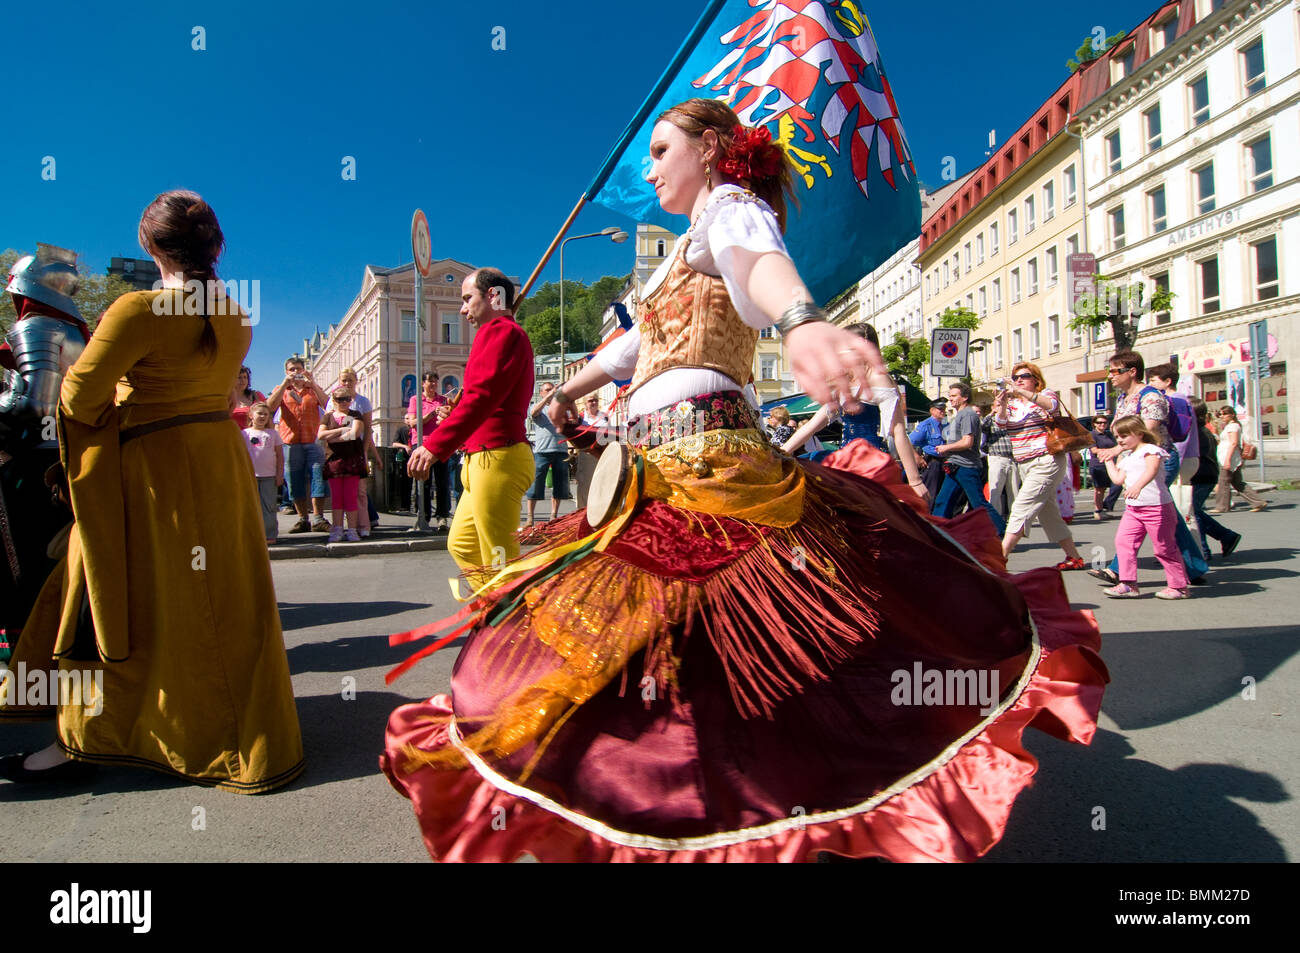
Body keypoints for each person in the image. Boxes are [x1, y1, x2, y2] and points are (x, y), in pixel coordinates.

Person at [383, 99, 1104, 863]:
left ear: (713, 149)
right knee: (663, 651)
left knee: (712, 642)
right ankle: (700, 803)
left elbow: (758, 265)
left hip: (718, 465)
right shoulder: (678, 252)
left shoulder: (732, 208)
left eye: (662, 149)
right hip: (653, 472)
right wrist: (565, 391)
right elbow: (632, 350)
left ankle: (745, 801)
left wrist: (799, 320)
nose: (651, 166)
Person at [0, 189, 303, 789]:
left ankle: (94, 739)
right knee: (217, 604)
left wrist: (121, 397)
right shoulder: (236, 315)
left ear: (150, 244)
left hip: (151, 474)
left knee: (112, 595)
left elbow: (78, 398)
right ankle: (226, 730)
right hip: (217, 465)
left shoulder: (137, 310)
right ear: (214, 245)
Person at [406, 267, 534, 582]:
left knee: (499, 557)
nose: (463, 309)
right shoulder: (498, 332)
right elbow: (481, 398)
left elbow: (482, 397)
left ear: (493, 296)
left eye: (467, 299)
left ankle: (511, 625)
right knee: (463, 545)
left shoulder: (501, 332)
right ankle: (495, 612)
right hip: (482, 458)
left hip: (498, 459)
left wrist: (435, 445)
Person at [0, 244, 89, 653]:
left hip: (32, 458)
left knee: (23, 557)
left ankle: (26, 654)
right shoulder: (76, 331)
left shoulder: (35, 328)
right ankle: (63, 643)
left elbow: (33, 404)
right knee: (59, 557)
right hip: (69, 454)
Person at [1089, 351, 1208, 586]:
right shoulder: (1124, 398)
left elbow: (1147, 432)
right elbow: (1123, 433)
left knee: (1145, 511)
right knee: (1164, 512)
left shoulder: (1151, 397)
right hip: (1134, 461)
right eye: (1109, 371)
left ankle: (1118, 570)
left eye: (1115, 371)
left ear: (1132, 372)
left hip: (1157, 459)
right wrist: (1115, 451)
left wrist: (1114, 452)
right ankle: (1194, 567)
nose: (1110, 376)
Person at [995, 362, 1086, 569]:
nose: (1019, 380)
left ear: (1036, 378)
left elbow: (1052, 407)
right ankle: (1074, 557)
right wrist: (1001, 405)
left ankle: (1001, 556)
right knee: (1047, 512)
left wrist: (1021, 392)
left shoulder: (1045, 394)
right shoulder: (1012, 403)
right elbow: (1001, 425)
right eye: (1016, 377)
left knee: (1021, 506)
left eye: (1024, 376)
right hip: (1024, 462)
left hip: (1047, 460)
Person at [1101, 416, 1189, 600]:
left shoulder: (1151, 450)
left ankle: (1179, 587)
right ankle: (1128, 583)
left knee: (1164, 548)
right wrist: (1108, 460)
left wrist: (1138, 486)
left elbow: (1152, 469)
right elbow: (1117, 479)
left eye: (1124, 435)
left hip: (1157, 507)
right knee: (1124, 543)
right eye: (1117, 436)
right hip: (1134, 510)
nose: (1120, 440)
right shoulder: (1127, 457)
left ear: (1140, 434)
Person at [931, 381, 1005, 533]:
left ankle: (1002, 533)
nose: (950, 399)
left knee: (978, 503)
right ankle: (937, 534)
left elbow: (967, 442)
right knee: (942, 501)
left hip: (966, 466)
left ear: (964, 397)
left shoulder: (968, 415)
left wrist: (947, 447)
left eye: (954, 396)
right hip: (955, 465)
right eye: (949, 395)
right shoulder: (959, 415)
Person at [268, 356, 330, 533]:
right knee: (294, 481)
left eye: (298, 369)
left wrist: (314, 384)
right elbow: (270, 407)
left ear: (304, 370)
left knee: (318, 478)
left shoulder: (312, 389)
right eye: (292, 369)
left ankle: (318, 518)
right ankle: (303, 519)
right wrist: (283, 385)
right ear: (286, 372)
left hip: (313, 440)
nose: (295, 372)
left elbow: (328, 404)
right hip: (290, 442)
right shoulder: (281, 390)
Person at [1188, 397, 1240, 560]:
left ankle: (1202, 550)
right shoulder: (1201, 430)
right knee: (1194, 512)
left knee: (1193, 513)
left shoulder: (1198, 432)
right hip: (1204, 476)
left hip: (1201, 477)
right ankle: (1226, 536)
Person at [338, 367, 382, 536]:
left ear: (356, 381)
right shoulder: (333, 401)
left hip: (357, 450)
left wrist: (365, 453)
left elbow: (368, 430)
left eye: (350, 380)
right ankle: (346, 525)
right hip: (339, 450)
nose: (347, 383)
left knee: (360, 491)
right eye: (344, 380)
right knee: (343, 490)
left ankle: (364, 525)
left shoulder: (363, 402)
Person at [523, 381, 571, 532]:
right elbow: (532, 414)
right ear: (542, 392)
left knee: (559, 485)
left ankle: (553, 516)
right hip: (542, 451)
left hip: (561, 450)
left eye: (553, 390)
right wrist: (548, 397)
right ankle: (530, 517)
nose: (552, 392)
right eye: (548, 390)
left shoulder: (561, 408)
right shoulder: (538, 407)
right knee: (535, 484)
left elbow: (570, 423)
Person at [319, 390, 365, 542]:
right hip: (334, 461)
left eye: (347, 398)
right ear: (334, 400)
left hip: (351, 460)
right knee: (337, 498)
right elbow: (320, 435)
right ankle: (337, 528)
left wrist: (332, 438)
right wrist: (341, 430)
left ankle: (352, 529)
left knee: (351, 496)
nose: (344, 402)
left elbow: (355, 434)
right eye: (340, 399)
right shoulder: (328, 416)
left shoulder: (355, 414)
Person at [408, 371, 452, 532]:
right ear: (423, 384)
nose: (433, 385)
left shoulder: (443, 400)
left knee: (442, 483)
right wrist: (432, 413)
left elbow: (451, 421)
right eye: (430, 382)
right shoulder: (415, 400)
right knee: (422, 482)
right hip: (421, 444)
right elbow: (413, 423)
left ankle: (442, 517)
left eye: (435, 381)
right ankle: (423, 517)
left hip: (441, 445)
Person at [1211, 406, 1267, 514]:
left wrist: (1227, 459)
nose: (1222, 416)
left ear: (1232, 414)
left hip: (1229, 458)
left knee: (1223, 482)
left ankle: (1222, 506)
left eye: (1224, 414)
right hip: (1230, 457)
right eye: (1221, 414)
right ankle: (1258, 502)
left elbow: (1233, 443)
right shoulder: (1230, 426)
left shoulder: (1233, 427)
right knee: (1237, 482)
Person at [243, 401, 284, 545]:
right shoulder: (244, 434)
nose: (262, 417)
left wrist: (280, 474)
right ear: (251, 415)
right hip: (249, 477)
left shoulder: (273, 434)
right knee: (251, 506)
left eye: (266, 414)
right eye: (259, 413)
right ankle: (252, 534)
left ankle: (270, 534)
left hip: (269, 477)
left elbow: (280, 455)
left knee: (269, 506)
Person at [982, 404, 1019, 521]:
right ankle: (995, 519)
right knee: (995, 490)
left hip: (1012, 459)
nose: (1003, 408)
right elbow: (981, 427)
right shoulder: (991, 420)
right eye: (999, 405)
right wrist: (992, 413)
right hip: (996, 457)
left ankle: (1015, 519)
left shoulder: (1011, 420)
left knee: (1014, 491)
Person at [909, 400, 947, 501]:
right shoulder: (926, 425)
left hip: (945, 462)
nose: (943, 411)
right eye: (940, 409)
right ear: (932, 410)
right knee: (931, 493)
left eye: (944, 409)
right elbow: (908, 442)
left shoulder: (946, 425)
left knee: (942, 494)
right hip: (932, 462)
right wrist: (917, 457)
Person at [573, 395, 605, 509]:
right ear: (585, 403)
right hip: (587, 455)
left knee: (601, 485)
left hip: (602, 455)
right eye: (590, 400)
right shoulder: (581, 418)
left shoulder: (604, 417)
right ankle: (582, 512)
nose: (593, 402)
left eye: (596, 400)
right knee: (586, 486)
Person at [1086, 414, 1119, 519]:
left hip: (1110, 464)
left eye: (1104, 423)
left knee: (1115, 485)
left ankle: (1106, 505)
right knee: (1099, 489)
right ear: (1094, 424)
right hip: (1098, 464)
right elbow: (1094, 450)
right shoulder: (1092, 435)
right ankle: (1098, 511)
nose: (1102, 425)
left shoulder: (1109, 435)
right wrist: (1110, 452)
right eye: (1099, 423)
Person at [390, 413, 415, 513]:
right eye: (406, 418)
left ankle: (418, 506)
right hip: (405, 459)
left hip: (416, 458)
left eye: (410, 418)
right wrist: (405, 447)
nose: (408, 420)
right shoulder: (401, 430)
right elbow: (394, 443)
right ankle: (405, 505)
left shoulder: (418, 429)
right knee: (405, 483)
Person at [229, 365, 265, 430]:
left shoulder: (256, 396)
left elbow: (267, 416)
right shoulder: (226, 398)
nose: (243, 380)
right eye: (239, 377)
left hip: (253, 437)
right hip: (232, 436)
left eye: (245, 377)